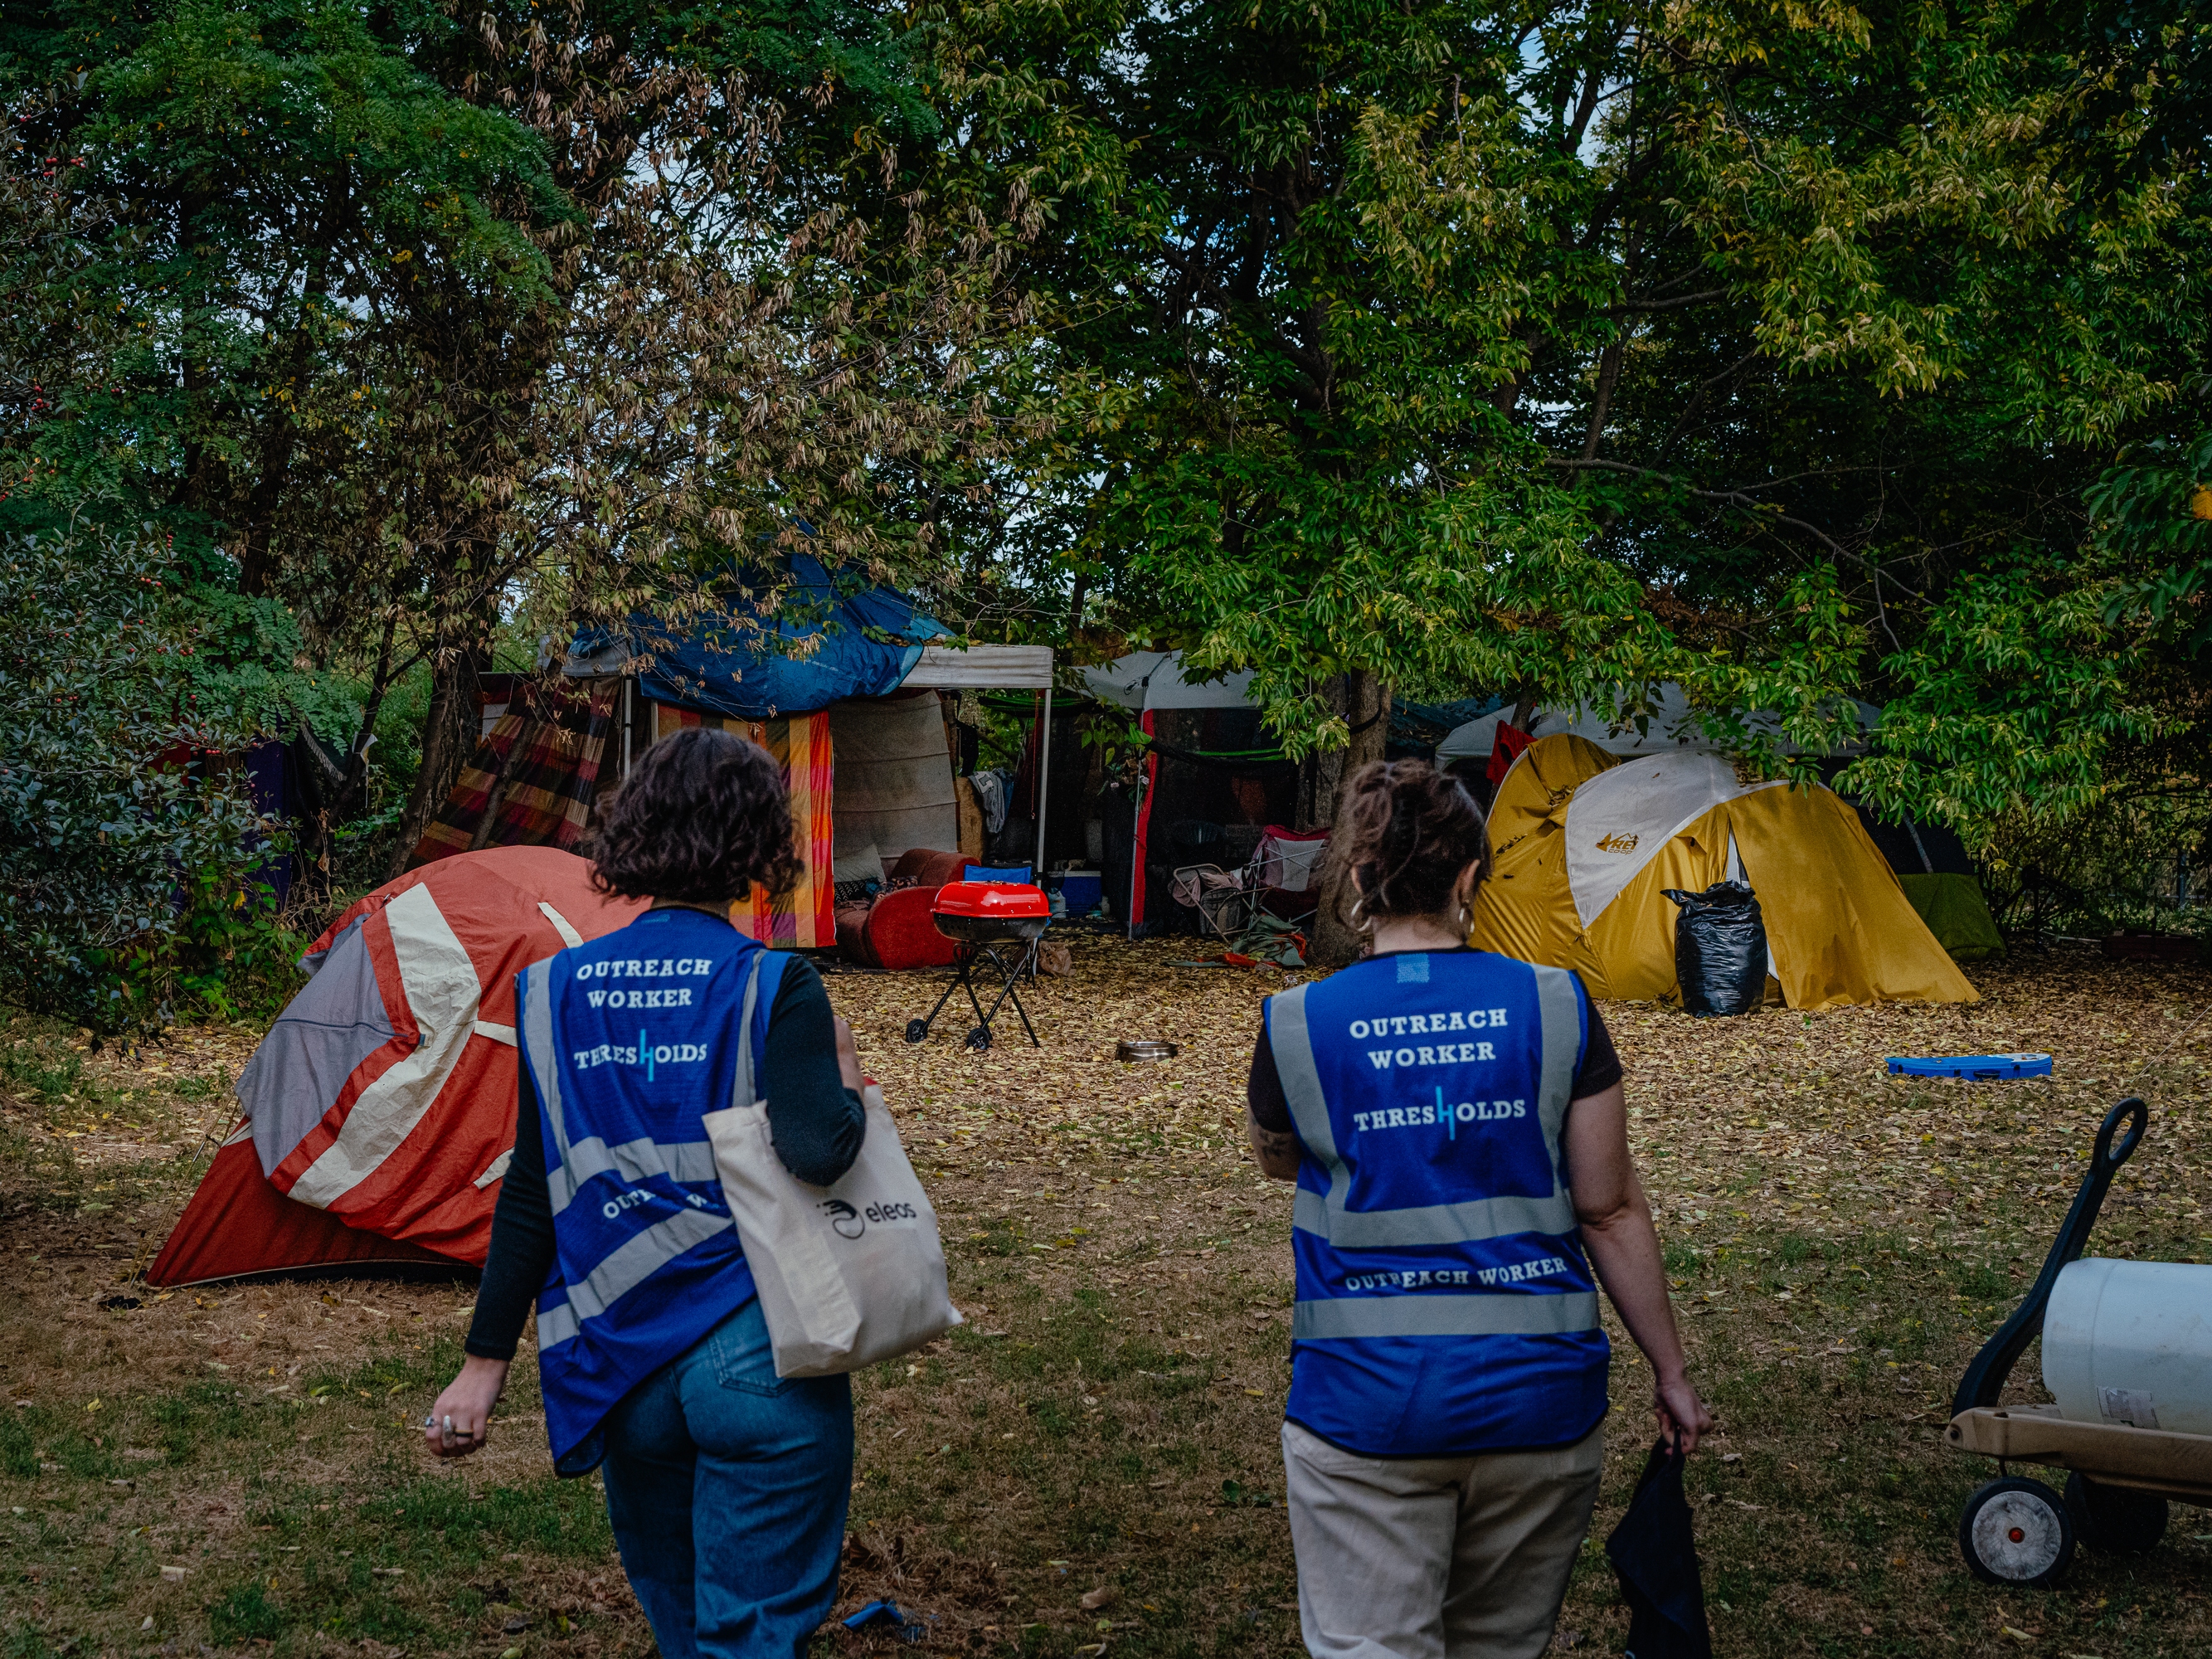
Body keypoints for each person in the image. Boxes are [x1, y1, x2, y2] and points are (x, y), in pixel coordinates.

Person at [1246, 759, 1709, 1659]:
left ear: (1355, 875)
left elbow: (1278, 1158)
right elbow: (1608, 1208)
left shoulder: (1297, 1022)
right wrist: (1671, 1371)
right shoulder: (1558, 1004)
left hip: (1364, 1406)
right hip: (1538, 1405)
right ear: (1469, 878)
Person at [425, 727, 868, 1659]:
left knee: (684, 1628)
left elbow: (529, 1192)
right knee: (749, 1633)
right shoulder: (774, 982)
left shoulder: (550, 988)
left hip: (620, 1361)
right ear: (756, 842)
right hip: (760, 1350)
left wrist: (483, 1364)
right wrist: (851, 1087)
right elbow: (818, 1151)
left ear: (637, 830)